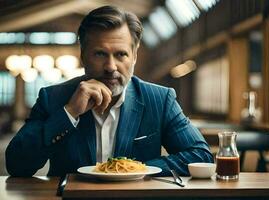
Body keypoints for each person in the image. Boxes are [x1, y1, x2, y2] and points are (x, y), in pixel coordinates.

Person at [5, 5, 213, 177]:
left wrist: (138, 170)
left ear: (134, 57)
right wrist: (69, 113)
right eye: (100, 54)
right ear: (83, 56)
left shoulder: (159, 99)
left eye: (121, 54)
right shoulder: (53, 98)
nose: (111, 66)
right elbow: (16, 165)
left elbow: (200, 155)